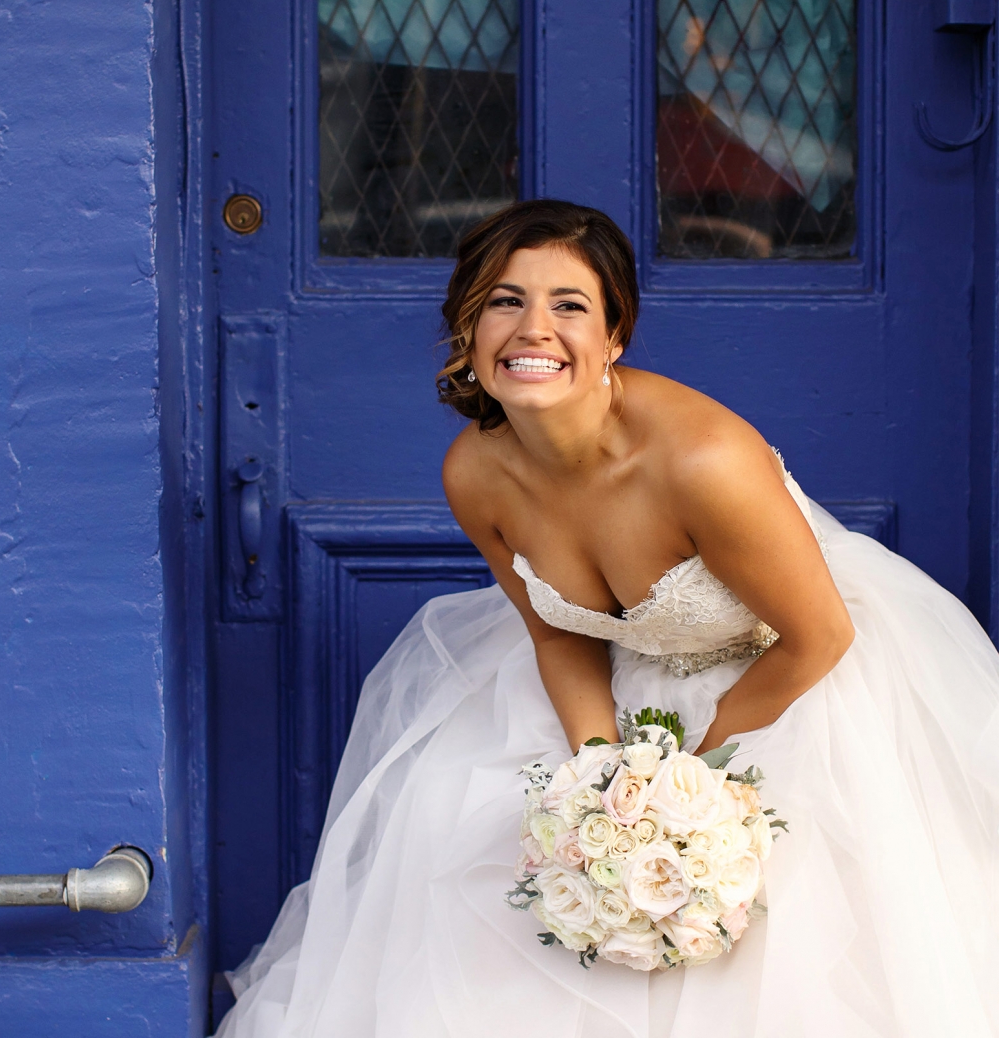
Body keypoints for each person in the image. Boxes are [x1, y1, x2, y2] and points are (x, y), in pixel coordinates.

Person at [217, 200, 999, 1038]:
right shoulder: (475, 473)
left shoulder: (701, 460)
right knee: (468, 841)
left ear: (614, 336)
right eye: (505, 301)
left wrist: (682, 788)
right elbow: (556, 632)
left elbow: (821, 637)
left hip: (788, 680)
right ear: (469, 329)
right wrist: (600, 785)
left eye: (569, 305)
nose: (533, 329)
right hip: (617, 681)